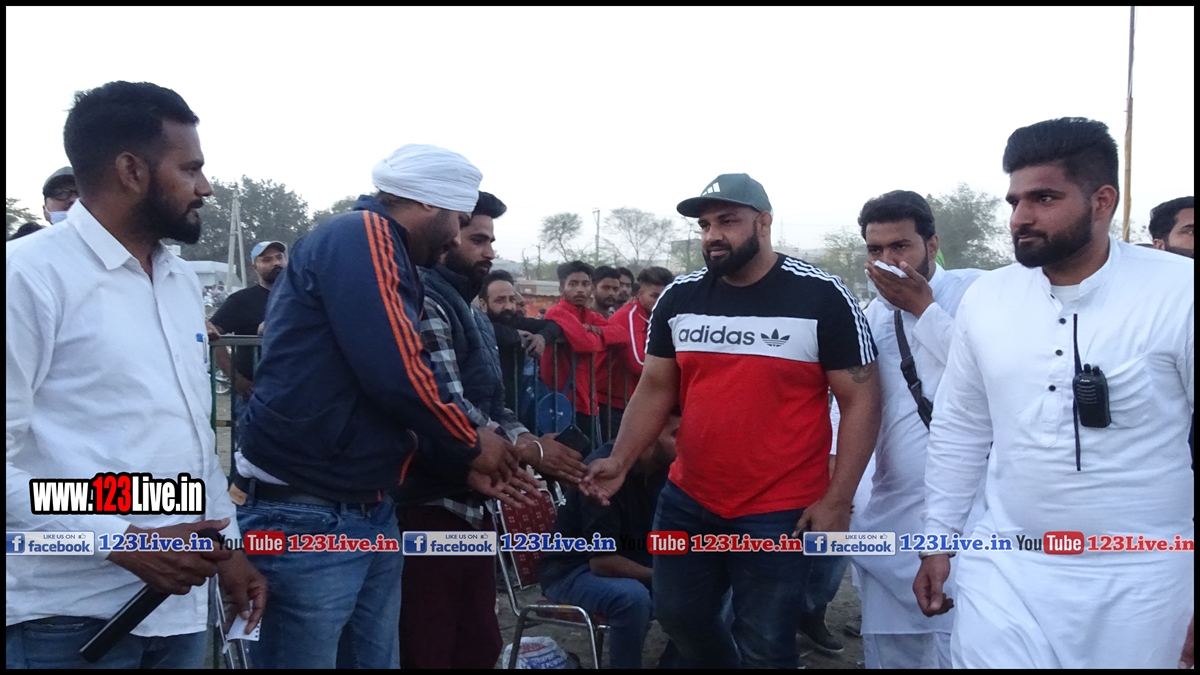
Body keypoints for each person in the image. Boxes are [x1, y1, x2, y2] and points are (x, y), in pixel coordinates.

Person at [914, 117, 1194, 669]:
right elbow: (961, 426)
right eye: (1014, 201)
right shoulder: (988, 298)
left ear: (1102, 201)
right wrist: (937, 539)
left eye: (1043, 198)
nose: (1021, 217)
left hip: (1144, 577)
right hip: (1007, 565)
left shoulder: (1178, 292)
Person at [234, 144, 527, 669]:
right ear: (429, 203)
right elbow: (396, 368)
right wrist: (469, 441)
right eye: (459, 221)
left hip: (362, 503)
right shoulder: (362, 233)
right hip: (307, 507)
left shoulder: (389, 251)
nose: (456, 238)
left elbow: (378, 387)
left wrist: (460, 457)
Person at [6, 80, 265, 669]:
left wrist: (228, 548)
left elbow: (188, 436)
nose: (205, 187)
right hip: (64, 617)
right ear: (131, 170)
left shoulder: (178, 280)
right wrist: (121, 540)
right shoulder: (27, 277)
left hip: (176, 612)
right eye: (190, 169)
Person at [581, 173, 882, 669]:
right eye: (705, 225)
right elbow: (655, 387)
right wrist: (620, 459)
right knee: (677, 616)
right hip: (688, 499)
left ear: (764, 222)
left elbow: (862, 400)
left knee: (766, 642)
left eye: (727, 221)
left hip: (779, 509)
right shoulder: (680, 297)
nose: (713, 235)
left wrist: (837, 500)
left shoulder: (821, 296)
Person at [398, 191, 581, 669]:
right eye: (478, 239)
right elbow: (444, 400)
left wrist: (527, 441)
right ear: (447, 233)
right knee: (430, 640)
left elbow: (493, 404)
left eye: (491, 240)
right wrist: (530, 451)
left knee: (478, 639)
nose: (489, 251)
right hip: (426, 500)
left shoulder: (472, 315)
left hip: (470, 502)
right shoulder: (422, 298)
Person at [845, 190, 985, 668]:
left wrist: (925, 310)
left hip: (972, 512)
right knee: (892, 650)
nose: (887, 261)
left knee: (963, 645)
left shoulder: (977, 294)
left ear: (932, 244)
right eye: (875, 249)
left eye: (900, 246)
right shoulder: (868, 318)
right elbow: (852, 405)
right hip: (890, 510)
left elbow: (991, 375)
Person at [540, 412, 681, 669]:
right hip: (571, 571)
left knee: (712, 584)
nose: (685, 445)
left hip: (632, 565)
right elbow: (602, 563)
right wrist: (664, 575)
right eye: (676, 435)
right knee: (633, 598)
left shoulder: (665, 468)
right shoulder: (603, 470)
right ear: (650, 431)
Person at [208, 240, 287, 460]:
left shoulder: (301, 297)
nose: (275, 263)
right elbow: (213, 337)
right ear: (255, 267)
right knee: (250, 457)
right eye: (267, 259)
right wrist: (238, 381)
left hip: (294, 394)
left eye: (279, 257)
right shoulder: (241, 301)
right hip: (254, 397)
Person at [595, 266, 674, 442]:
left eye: (665, 296)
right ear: (640, 294)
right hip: (612, 403)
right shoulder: (629, 316)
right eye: (655, 296)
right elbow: (638, 362)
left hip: (636, 401)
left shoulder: (661, 317)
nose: (660, 302)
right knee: (615, 454)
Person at [541, 260, 613, 447]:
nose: (580, 289)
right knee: (568, 457)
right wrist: (602, 339)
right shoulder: (557, 312)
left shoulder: (589, 316)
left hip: (586, 399)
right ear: (561, 289)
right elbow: (585, 344)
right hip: (563, 401)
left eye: (585, 284)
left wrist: (592, 330)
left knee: (589, 455)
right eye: (573, 284)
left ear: (591, 288)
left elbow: (622, 334)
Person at [479, 270, 563, 419]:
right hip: (481, 407)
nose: (508, 306)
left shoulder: (516, 321)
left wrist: (541, 338)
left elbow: (553, 325)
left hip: (511, 404)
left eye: (512, 299)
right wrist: (514, 336)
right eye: (500, 300)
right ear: (483, 304)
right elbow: (485, 328)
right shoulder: (474, 323)